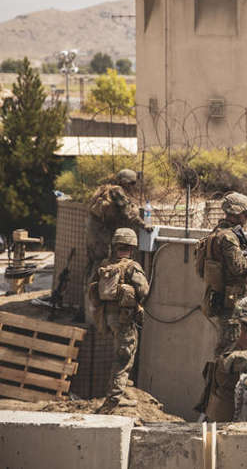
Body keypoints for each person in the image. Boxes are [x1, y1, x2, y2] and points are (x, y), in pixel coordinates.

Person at [87, 228, 149, 413]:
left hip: (108, 318)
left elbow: (93, 289)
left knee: (121, 354)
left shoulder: (105, 265)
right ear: (132, 247)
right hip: (124, 320)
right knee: (124, 358)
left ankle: (121, 391)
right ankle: (113, 401)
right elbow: (144, 291)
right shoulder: (131, 266)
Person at [202, 192, 247, 356]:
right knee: (229, 348)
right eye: (246, 214)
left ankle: (217, 379)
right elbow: (239, 267)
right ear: (241, 214)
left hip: (221, 296)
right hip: (230, 302)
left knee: (224, 347)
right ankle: (220, 380)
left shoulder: (216, 233)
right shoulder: (228, 237)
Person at [84, 169, 151, 303]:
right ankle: (96, 302)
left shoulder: (105, 189)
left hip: (93, 234)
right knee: (101, 264)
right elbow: (128, 213)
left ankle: (87, 304)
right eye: (131, 183)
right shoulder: (117, 191)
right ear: (126, 182)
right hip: (100, 236)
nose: (132, 187)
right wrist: (144, 226)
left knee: (92, 265)